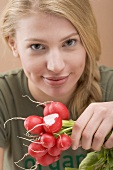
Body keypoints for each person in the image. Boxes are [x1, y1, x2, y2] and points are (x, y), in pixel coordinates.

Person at [0, 0, 113, 170]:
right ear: (13, 44)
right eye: (37, 46)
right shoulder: (3, 94)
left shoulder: (110, 85)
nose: (56, 66)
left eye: (69, 43)